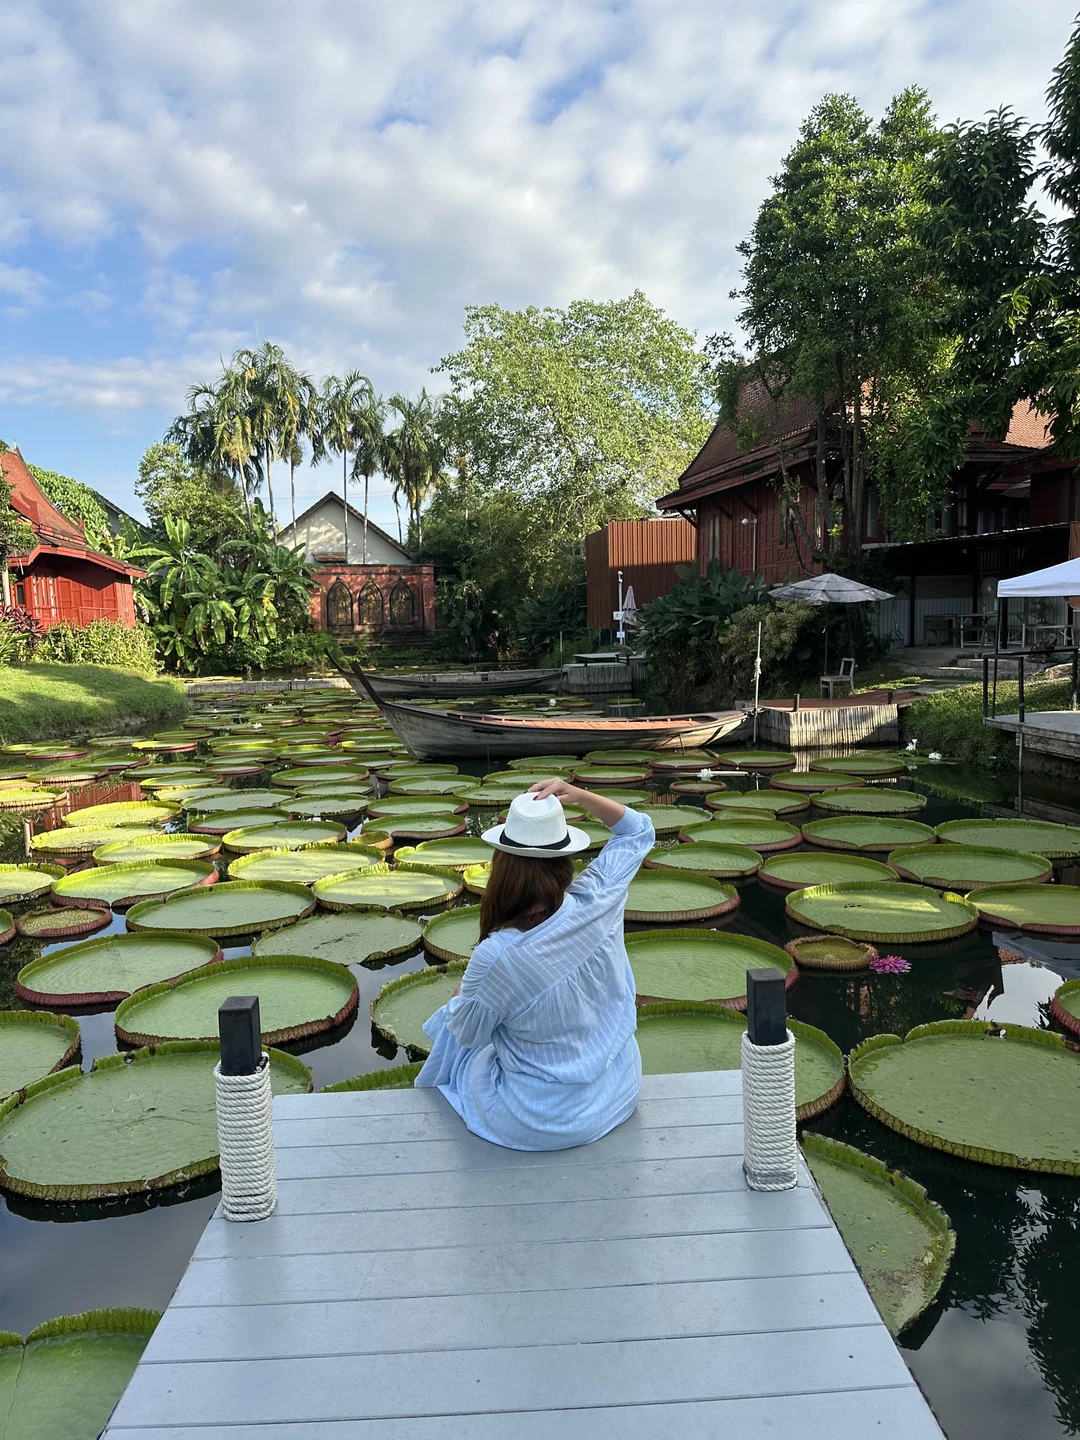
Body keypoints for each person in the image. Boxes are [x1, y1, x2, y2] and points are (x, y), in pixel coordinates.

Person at [415, 778, 655, 1151]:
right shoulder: (600, 894)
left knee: (463, 1030)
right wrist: (578, 794)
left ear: (502, 867)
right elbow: (638, 830)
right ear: (563, 861)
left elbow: (467, 1033)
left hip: (542, 1120)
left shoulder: (497, 955)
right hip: (619, 1091)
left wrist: (461, 997)